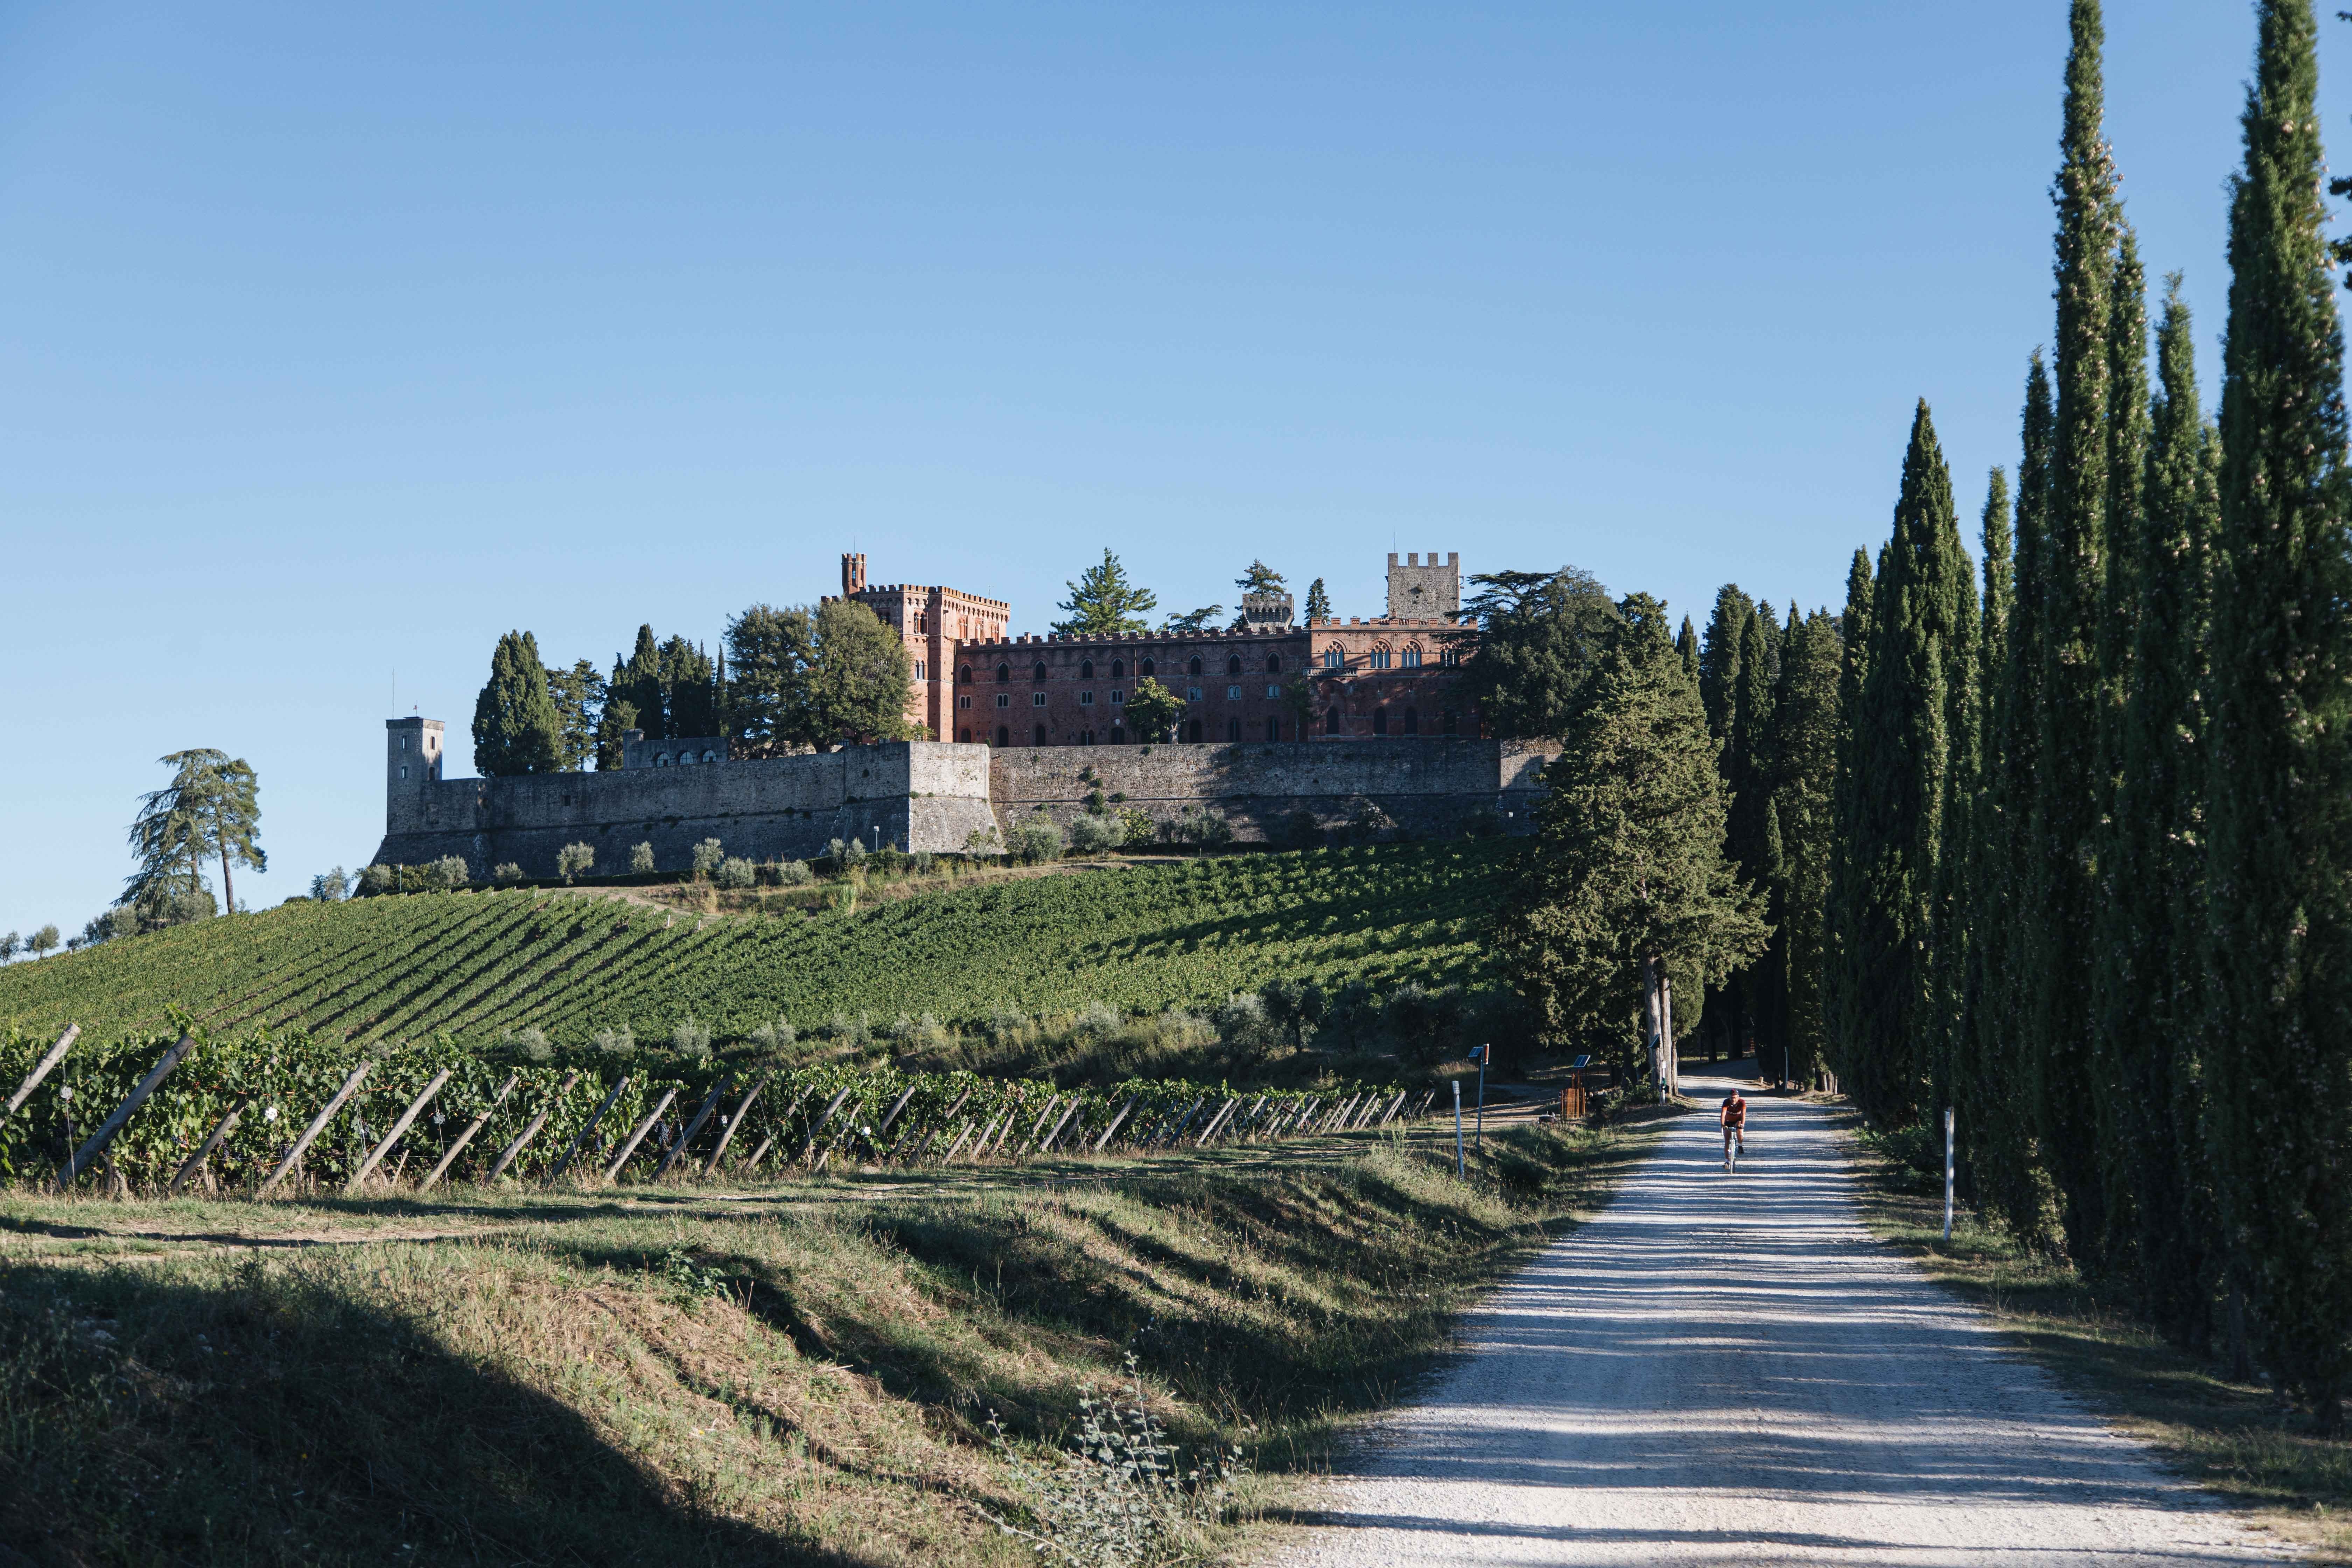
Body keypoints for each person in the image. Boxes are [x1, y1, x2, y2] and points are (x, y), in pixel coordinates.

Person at [1720, 1087, 1747, 1163]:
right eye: (1732, 1098)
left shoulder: (1742, 1102)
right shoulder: (1726, 1102)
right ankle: (1727, 1161)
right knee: (1727, 1140)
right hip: (1728, 1121)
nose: (1733, 1100)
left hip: (1738, 1121)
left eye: (1735, 1098)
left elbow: (1743, 1115)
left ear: (1738, 1097)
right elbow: (1723, 1114)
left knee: (1739, 1132)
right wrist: (1723, 1125)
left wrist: (1742, 1125)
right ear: (1730, 1097)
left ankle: (1740, 1145)